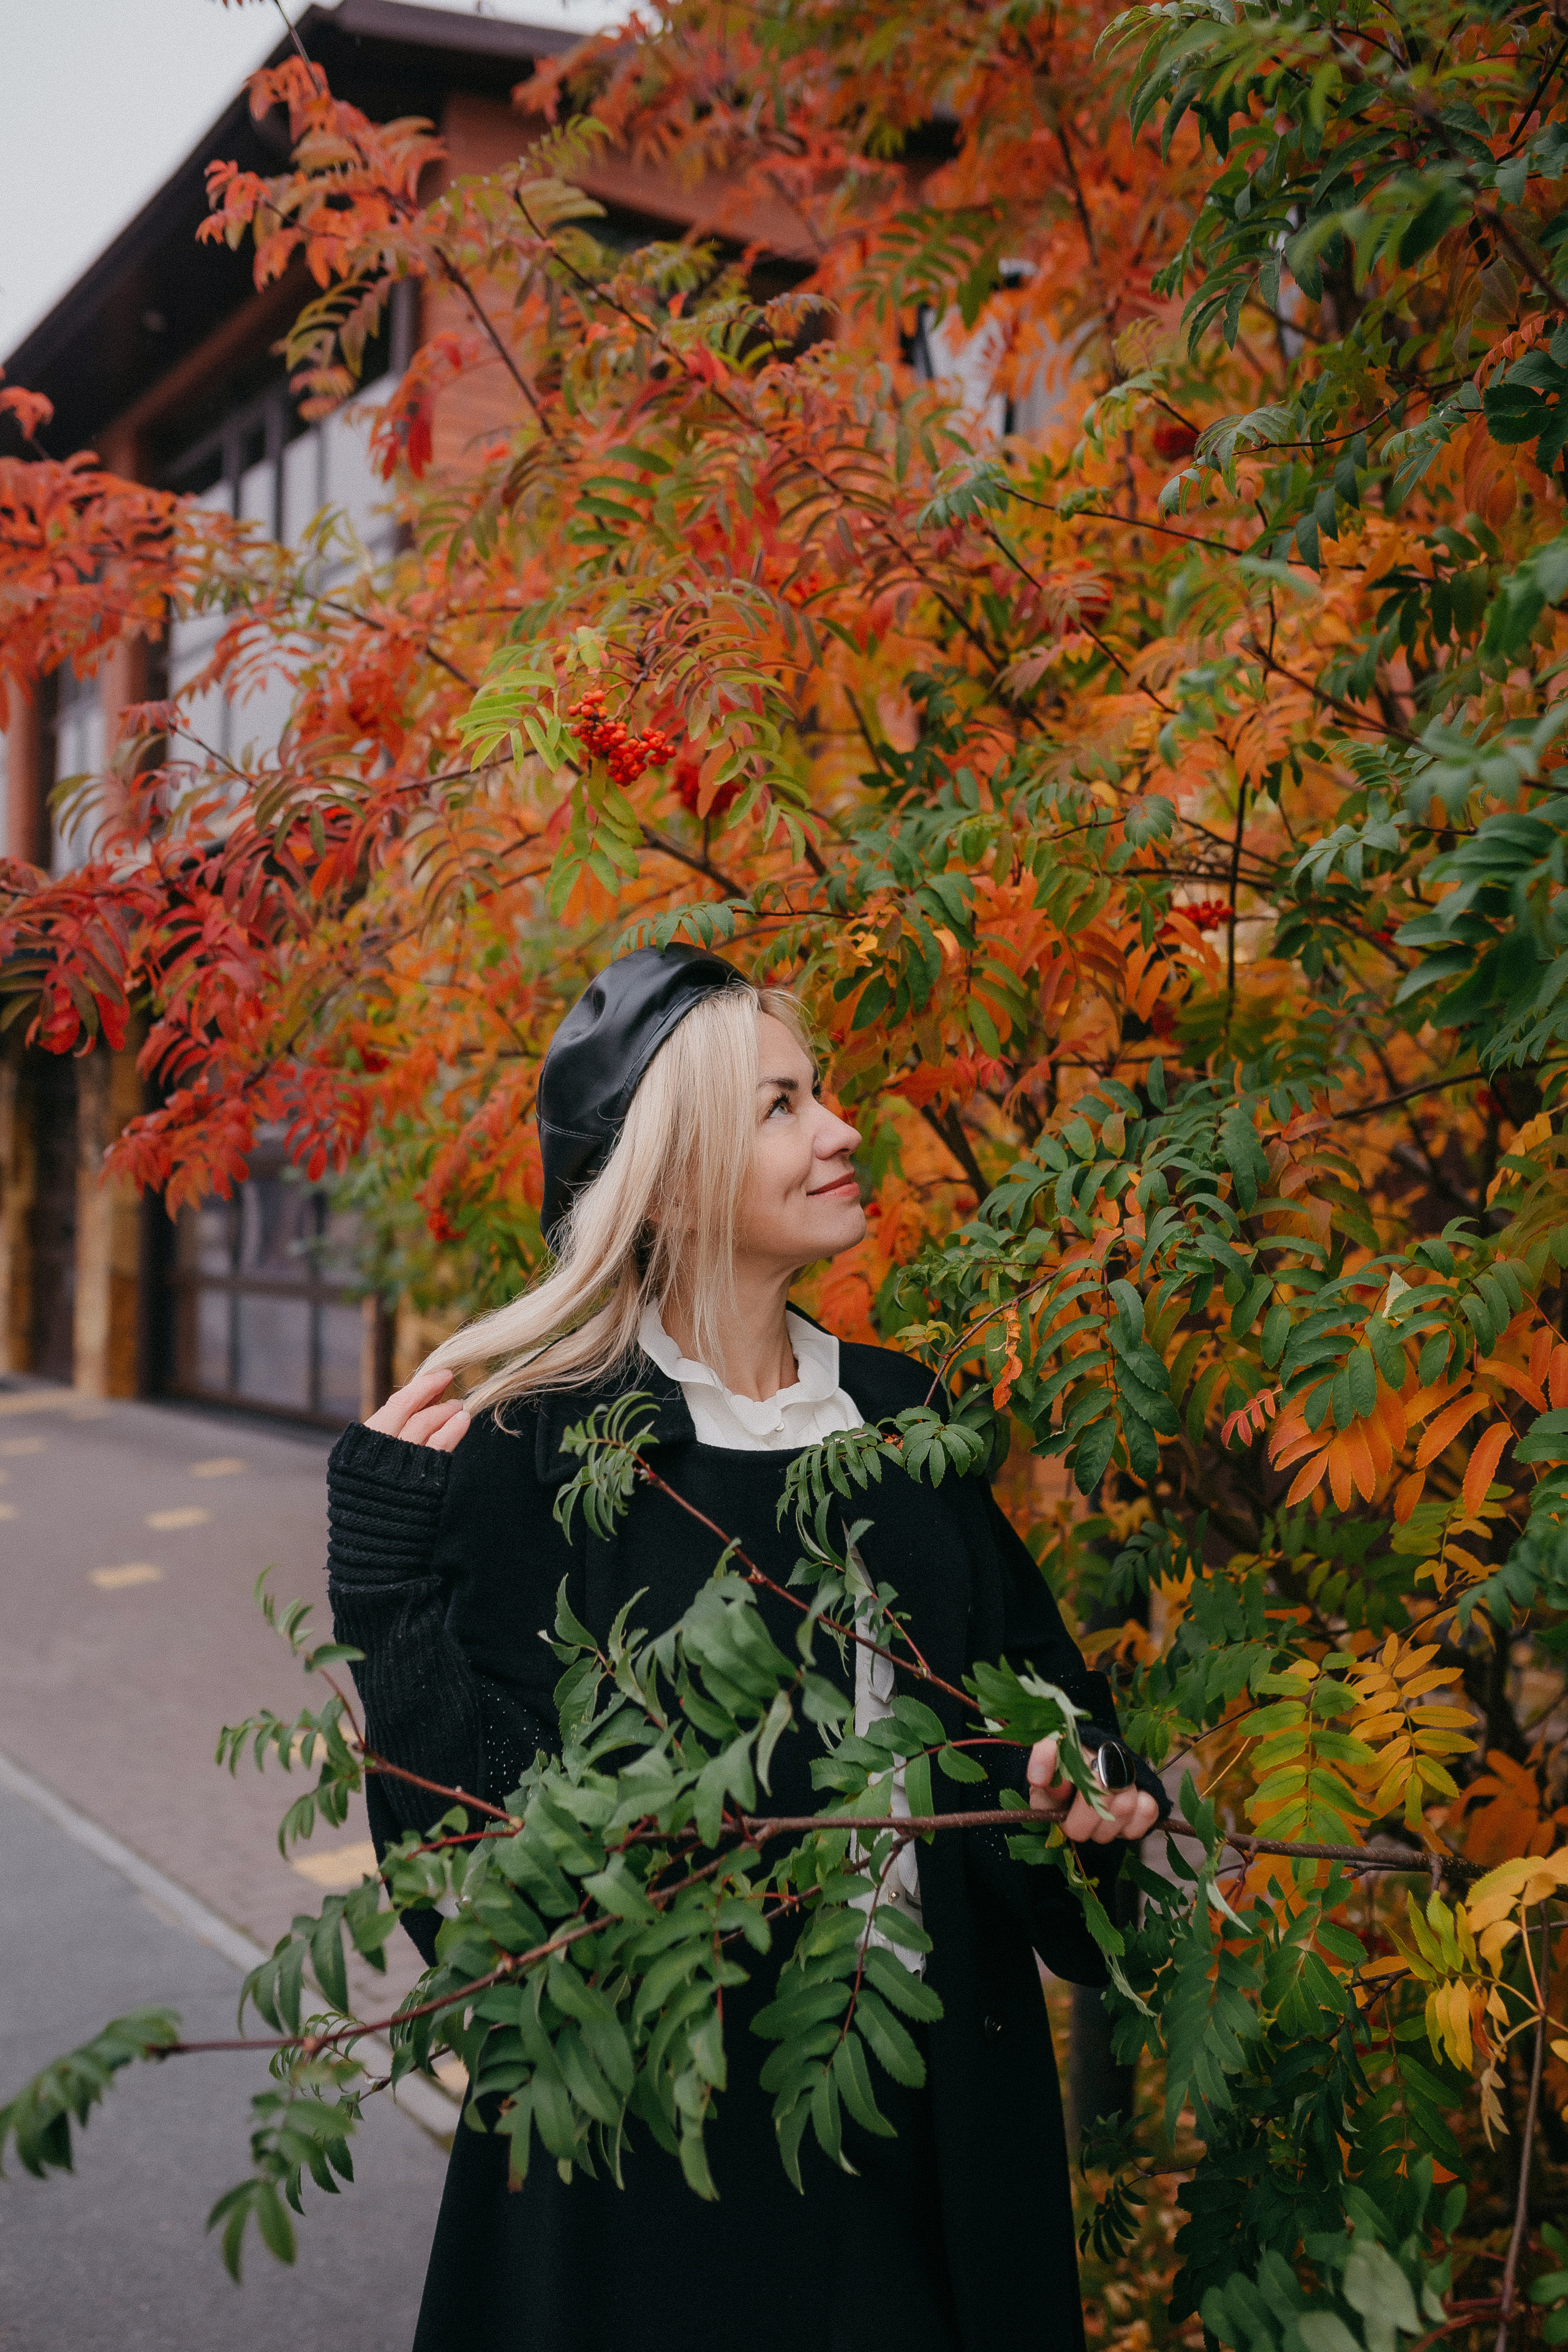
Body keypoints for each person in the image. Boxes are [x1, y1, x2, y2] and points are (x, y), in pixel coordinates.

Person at [326, 943, 1166, 2352]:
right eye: (782, 1105)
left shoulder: (900, 1421)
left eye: (820, 1092)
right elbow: (480, 1910)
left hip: (933, 2130)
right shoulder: (547, 1454)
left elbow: (1046, 1730)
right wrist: (387, 1598)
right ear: (673, 1173)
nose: (841, 1129)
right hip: (656, 2173)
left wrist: (1086, 1798)